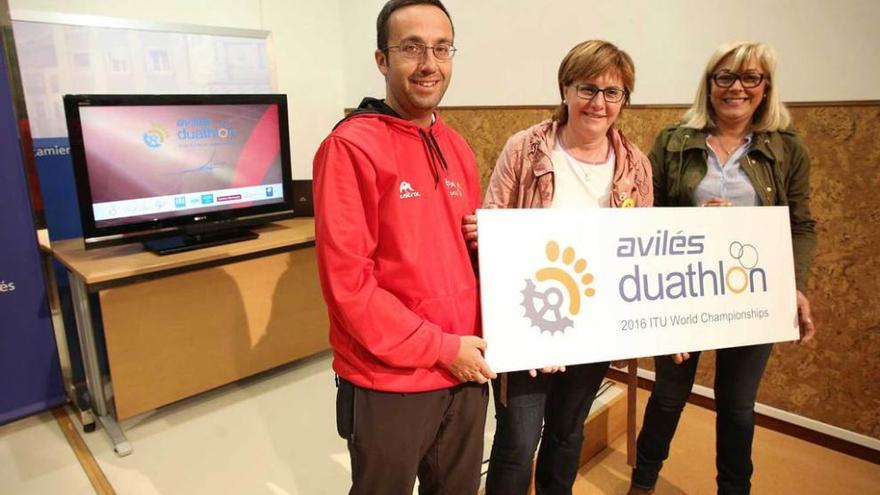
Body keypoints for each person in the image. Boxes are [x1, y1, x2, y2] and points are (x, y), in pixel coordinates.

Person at [312, 1, 495, 493]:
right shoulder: (350, 148)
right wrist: (442, 347)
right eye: (411, 48)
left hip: (465, 370)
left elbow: (458, 260)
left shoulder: (455, 146)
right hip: (389, 382)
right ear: (381, 60)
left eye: (441, 48)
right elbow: (348, 287)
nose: (429, 63)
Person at [463, 39, 653, 495]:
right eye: (588, 88)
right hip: (526, 325)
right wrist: (485, 232)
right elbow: (495, 230)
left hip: (592, 331)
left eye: (613, 92)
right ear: (565, 88)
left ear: (624, 100)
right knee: (518, 442)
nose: (599, 103)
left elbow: (639, 253)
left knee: (568, 434)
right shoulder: (525, 149)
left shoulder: (636, 167)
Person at [629, 41, 817, 495]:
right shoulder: (674, 140)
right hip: (683, 287)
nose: (737, 88)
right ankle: (643, 483)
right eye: (726, 77)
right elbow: (644, 212)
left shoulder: (786, 148)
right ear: (710, 84)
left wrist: (794, 286)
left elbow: (801, 224)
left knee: (736, 405)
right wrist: (696, 219)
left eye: (750, 78)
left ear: (765, 86)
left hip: (753, 292)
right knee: (669, 395)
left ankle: (734, 489)